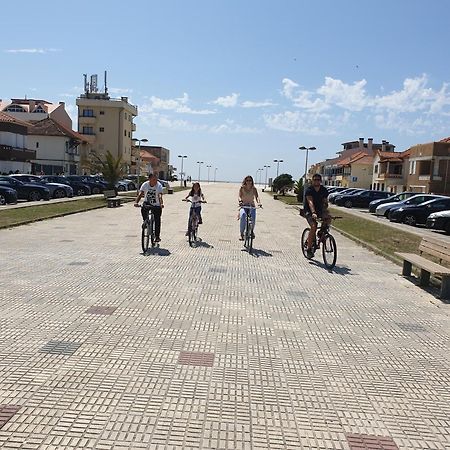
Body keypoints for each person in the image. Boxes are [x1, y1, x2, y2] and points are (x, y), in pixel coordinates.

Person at [304, 173, 330, 257]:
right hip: (309, 211)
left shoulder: (324, 190)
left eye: (318, 180)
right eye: (315, 180)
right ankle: (308, 249)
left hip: (319, 210)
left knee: (328, 218)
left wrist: (326, 209)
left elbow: (325, 201)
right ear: (312, 180)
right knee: (314, 226)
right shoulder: (309, 190)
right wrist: (313, 213)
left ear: (320, 181)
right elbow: (310, 202)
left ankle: (321, 232)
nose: (316, 181)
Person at [134, 173, 164, 242]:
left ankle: (157, 236)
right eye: (154, 179)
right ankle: (145, 222)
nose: (155, 181)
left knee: (157, 220)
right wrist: (136, 202)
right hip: (147, 203)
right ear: (149, 179)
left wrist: (161, 204)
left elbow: (160, 196)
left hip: (156, 205)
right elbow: (140, 194)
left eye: (156, 179)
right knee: (143, 208)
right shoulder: (145, 184)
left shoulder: (159, 185)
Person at [238, 175, 261, 240]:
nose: (248, 182)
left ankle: (251, 231)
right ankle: (241, 234)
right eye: (247, 180)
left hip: (251, 206)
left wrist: (259, 203)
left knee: (253, 219)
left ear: (252, 181)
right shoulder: (242, 188)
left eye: (250, 180)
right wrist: (240, 201)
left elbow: (257, 197)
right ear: (245, 181)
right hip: (244, 205)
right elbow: (239, 196)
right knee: (243, 216)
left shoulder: (254, 189)